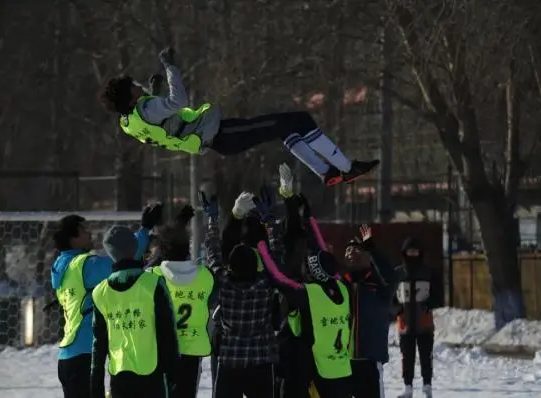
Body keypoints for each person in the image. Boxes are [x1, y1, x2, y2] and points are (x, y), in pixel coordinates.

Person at [98, 47, 380, 187]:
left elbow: (163, 121)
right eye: (133, 85)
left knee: (286, 129)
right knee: (300, 120)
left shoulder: (129, 123)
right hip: (221, 135)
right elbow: (176, 103)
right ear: (130, 96)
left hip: (218, 137)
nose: (137, 84)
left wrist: (154, 88)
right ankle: (345, 167)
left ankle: (327, 172)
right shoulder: (145, 108)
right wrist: (171, 68)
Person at [255, 185, 354, 398]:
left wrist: (261, 242)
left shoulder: (309, 294)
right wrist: (309, 218)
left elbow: (278, 277)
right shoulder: (342, 287)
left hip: (316, 371)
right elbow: (323, 253)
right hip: (341, 370)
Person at [51, 206, 158, 398]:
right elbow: (123, 257)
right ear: (73, 238)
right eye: (84, 230)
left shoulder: (61, 266)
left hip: (68, 357)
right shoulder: (84, 265)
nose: (89, 233)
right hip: (84, 356)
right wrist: (144, 230)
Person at [201, 191, 279, 398]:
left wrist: (212, 219)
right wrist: (269, 220)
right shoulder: (265, 284)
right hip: (260, 360)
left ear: (231, 267)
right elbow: (276, 256)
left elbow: (213, 253)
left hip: (230, 360)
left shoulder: (224, 282)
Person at [91, 225, 179, 398]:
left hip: (119, 375)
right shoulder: (153, 283)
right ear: (135, 247)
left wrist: (96, 387)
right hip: (152, 374)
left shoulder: (100, 292)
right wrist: (173, 375)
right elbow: (167, 333)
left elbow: (98, 345)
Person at [150, 220, 216, 398]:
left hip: (162, 350)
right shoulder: (205, 276)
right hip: (192, 350)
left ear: (162, 249)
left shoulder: (152, 277)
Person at [343, 225, 403, 398]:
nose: (351, 252)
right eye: (347, 250)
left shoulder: (379, 285)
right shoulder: (341, 285)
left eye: (356, 249)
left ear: (367, 256)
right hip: (343, 361)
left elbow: (390, 277)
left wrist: (372, 248)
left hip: (369, 361)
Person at [395, 238, 437, 398]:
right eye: (409, 251)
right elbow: (391, 295)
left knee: (426, 355)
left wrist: (430, 303)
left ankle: (427, 386)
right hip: (405, 322)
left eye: (415, 250)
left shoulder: (428, 272)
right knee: (407, 356)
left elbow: (437, 294)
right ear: (404, 252)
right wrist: (396, 309)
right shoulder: (398, 272)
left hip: (424, 321)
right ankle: (408, 387)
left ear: (420, 252)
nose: (412, 253)